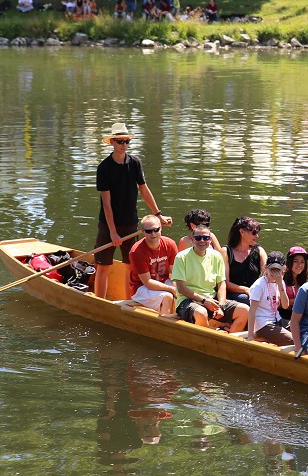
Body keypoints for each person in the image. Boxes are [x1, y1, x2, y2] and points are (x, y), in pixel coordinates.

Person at [94, 122, 173, 300]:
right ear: (112, 142)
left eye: (127, 141)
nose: (124, 145)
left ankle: (128, 302)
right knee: (103, 265)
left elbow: (144, 190)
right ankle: (99, 302)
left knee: (130, 265)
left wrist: (158, 215)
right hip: (108, 225)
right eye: (120, 141)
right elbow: (106, 203)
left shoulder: (135, 163)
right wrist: (113, 232)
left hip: (130, 223)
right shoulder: (104, 168)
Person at [172, 224, 249, 331]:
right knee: (201, 313)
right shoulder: (181, 257)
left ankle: (228, 342)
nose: (202, 241)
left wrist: (221, 305)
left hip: (212, 300)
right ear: (192, 239)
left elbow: (221, 283)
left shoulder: (216, 256)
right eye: (198, 238)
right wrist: (204, 301)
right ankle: (206, 341)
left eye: (206, 238)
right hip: (187, 301)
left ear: (210, 239)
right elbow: (181, 288)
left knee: (245, 310)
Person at [121, 214, 179, 315]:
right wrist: (172, 289)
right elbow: (147, 282)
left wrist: (177, 289)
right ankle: (164, 325)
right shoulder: (136, 252)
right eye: (149, 231)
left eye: (156, 230)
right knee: (168, 296)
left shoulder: (170, 244)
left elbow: (175, 273)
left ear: (161, 228)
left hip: (162, 282)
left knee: (185, 290)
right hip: (141, 288)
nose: (153, 234)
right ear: (143, 232)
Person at [246, 251, 294, 345]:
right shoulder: (259, 286)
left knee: (301, 330)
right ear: (266, 268)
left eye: (278, 270)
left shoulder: (281, 282)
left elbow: (285, 305)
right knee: (294, 340)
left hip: (277, 319)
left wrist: (280, 286)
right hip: (263, 324)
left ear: (283, 269)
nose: (274, 273)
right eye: (272, 269)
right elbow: (252, 311)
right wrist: (250, 335)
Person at [225, 215, 267, 305]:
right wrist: (246, 290)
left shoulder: (259, 251)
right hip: (233, 295)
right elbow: (225, 283)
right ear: (242, 232)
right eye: (254, 233)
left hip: (255, 293)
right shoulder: (226, 252)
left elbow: (267, 275)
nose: (257, 236)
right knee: (248, 299)